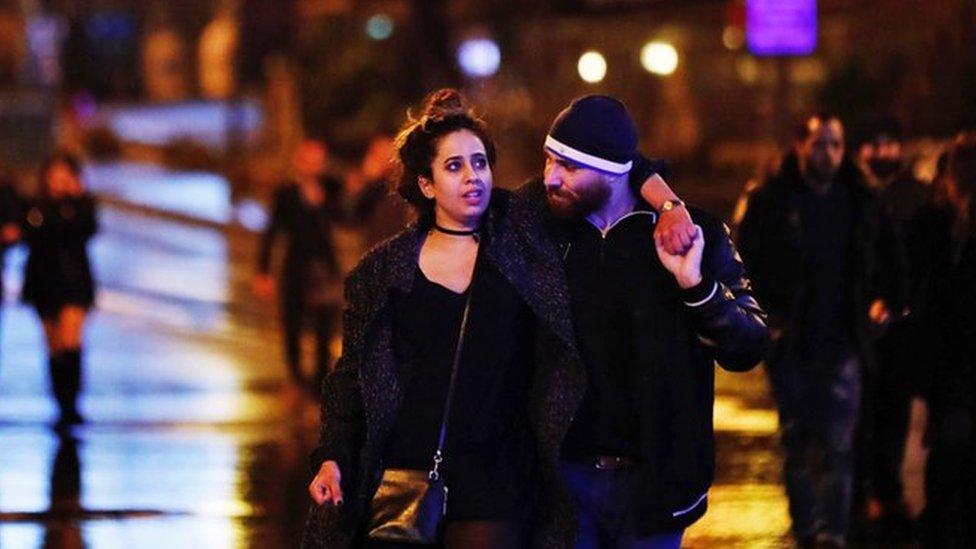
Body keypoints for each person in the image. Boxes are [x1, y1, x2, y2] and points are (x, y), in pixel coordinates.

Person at [302, 89, 580, 548]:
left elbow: (605, 156)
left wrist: (667, 204)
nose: (472, 177)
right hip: (405, 475)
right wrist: (332, 457)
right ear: (426, 185)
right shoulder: (384, 272)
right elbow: (350, 377)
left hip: (496, 479)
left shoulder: (520, 247)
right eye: (454, 167)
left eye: (479, 163)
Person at [510, 95, 769, 548]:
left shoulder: (697, 234)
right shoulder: (542, 228)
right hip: (563, 477)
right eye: (549, 159)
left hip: (656, 479)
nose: (550, 176)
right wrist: (666, 196)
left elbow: (748, 345)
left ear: (611, 169)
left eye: (569, 167)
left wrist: (695, 284)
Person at [737, 115, 904, 547]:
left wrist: (884, 303)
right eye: (819, 143)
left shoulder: (860, 200)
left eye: (834, 144)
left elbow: (888, 260)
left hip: (845, 339)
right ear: (799, 146)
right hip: (792, 342)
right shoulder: (773, 201)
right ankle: (809, 527)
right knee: (797, 441)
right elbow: (746, 262)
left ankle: (833, 531)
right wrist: (766, 317)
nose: (827, 153)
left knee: (838, 444)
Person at [911, 132, 976, 548]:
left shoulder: (941, 228)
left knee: (949, 466)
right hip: (955, 370)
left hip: (955, 371)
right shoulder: (941, 227)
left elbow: (931, 307)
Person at [253, 139, 344, 396]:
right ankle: (296, 377)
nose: (313, 166)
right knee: (292, 326)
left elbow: (346, 217)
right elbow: (272, 233)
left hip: (324, 268)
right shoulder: (286, 194)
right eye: (308, 160)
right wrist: (263, 271)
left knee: (325, 326)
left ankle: (320, 383)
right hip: (296, 268)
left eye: (318, 160)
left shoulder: (331, 190)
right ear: (298, 162)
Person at [21, 152, 99, 428]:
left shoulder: (80, 206)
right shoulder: (36, 208)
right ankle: (60, 402)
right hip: (43, 283)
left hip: (74, 282)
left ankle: (72, 404)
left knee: (70, 340)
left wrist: (74, 199)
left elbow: (87, 230)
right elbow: (31, 236)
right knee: (53, 345)